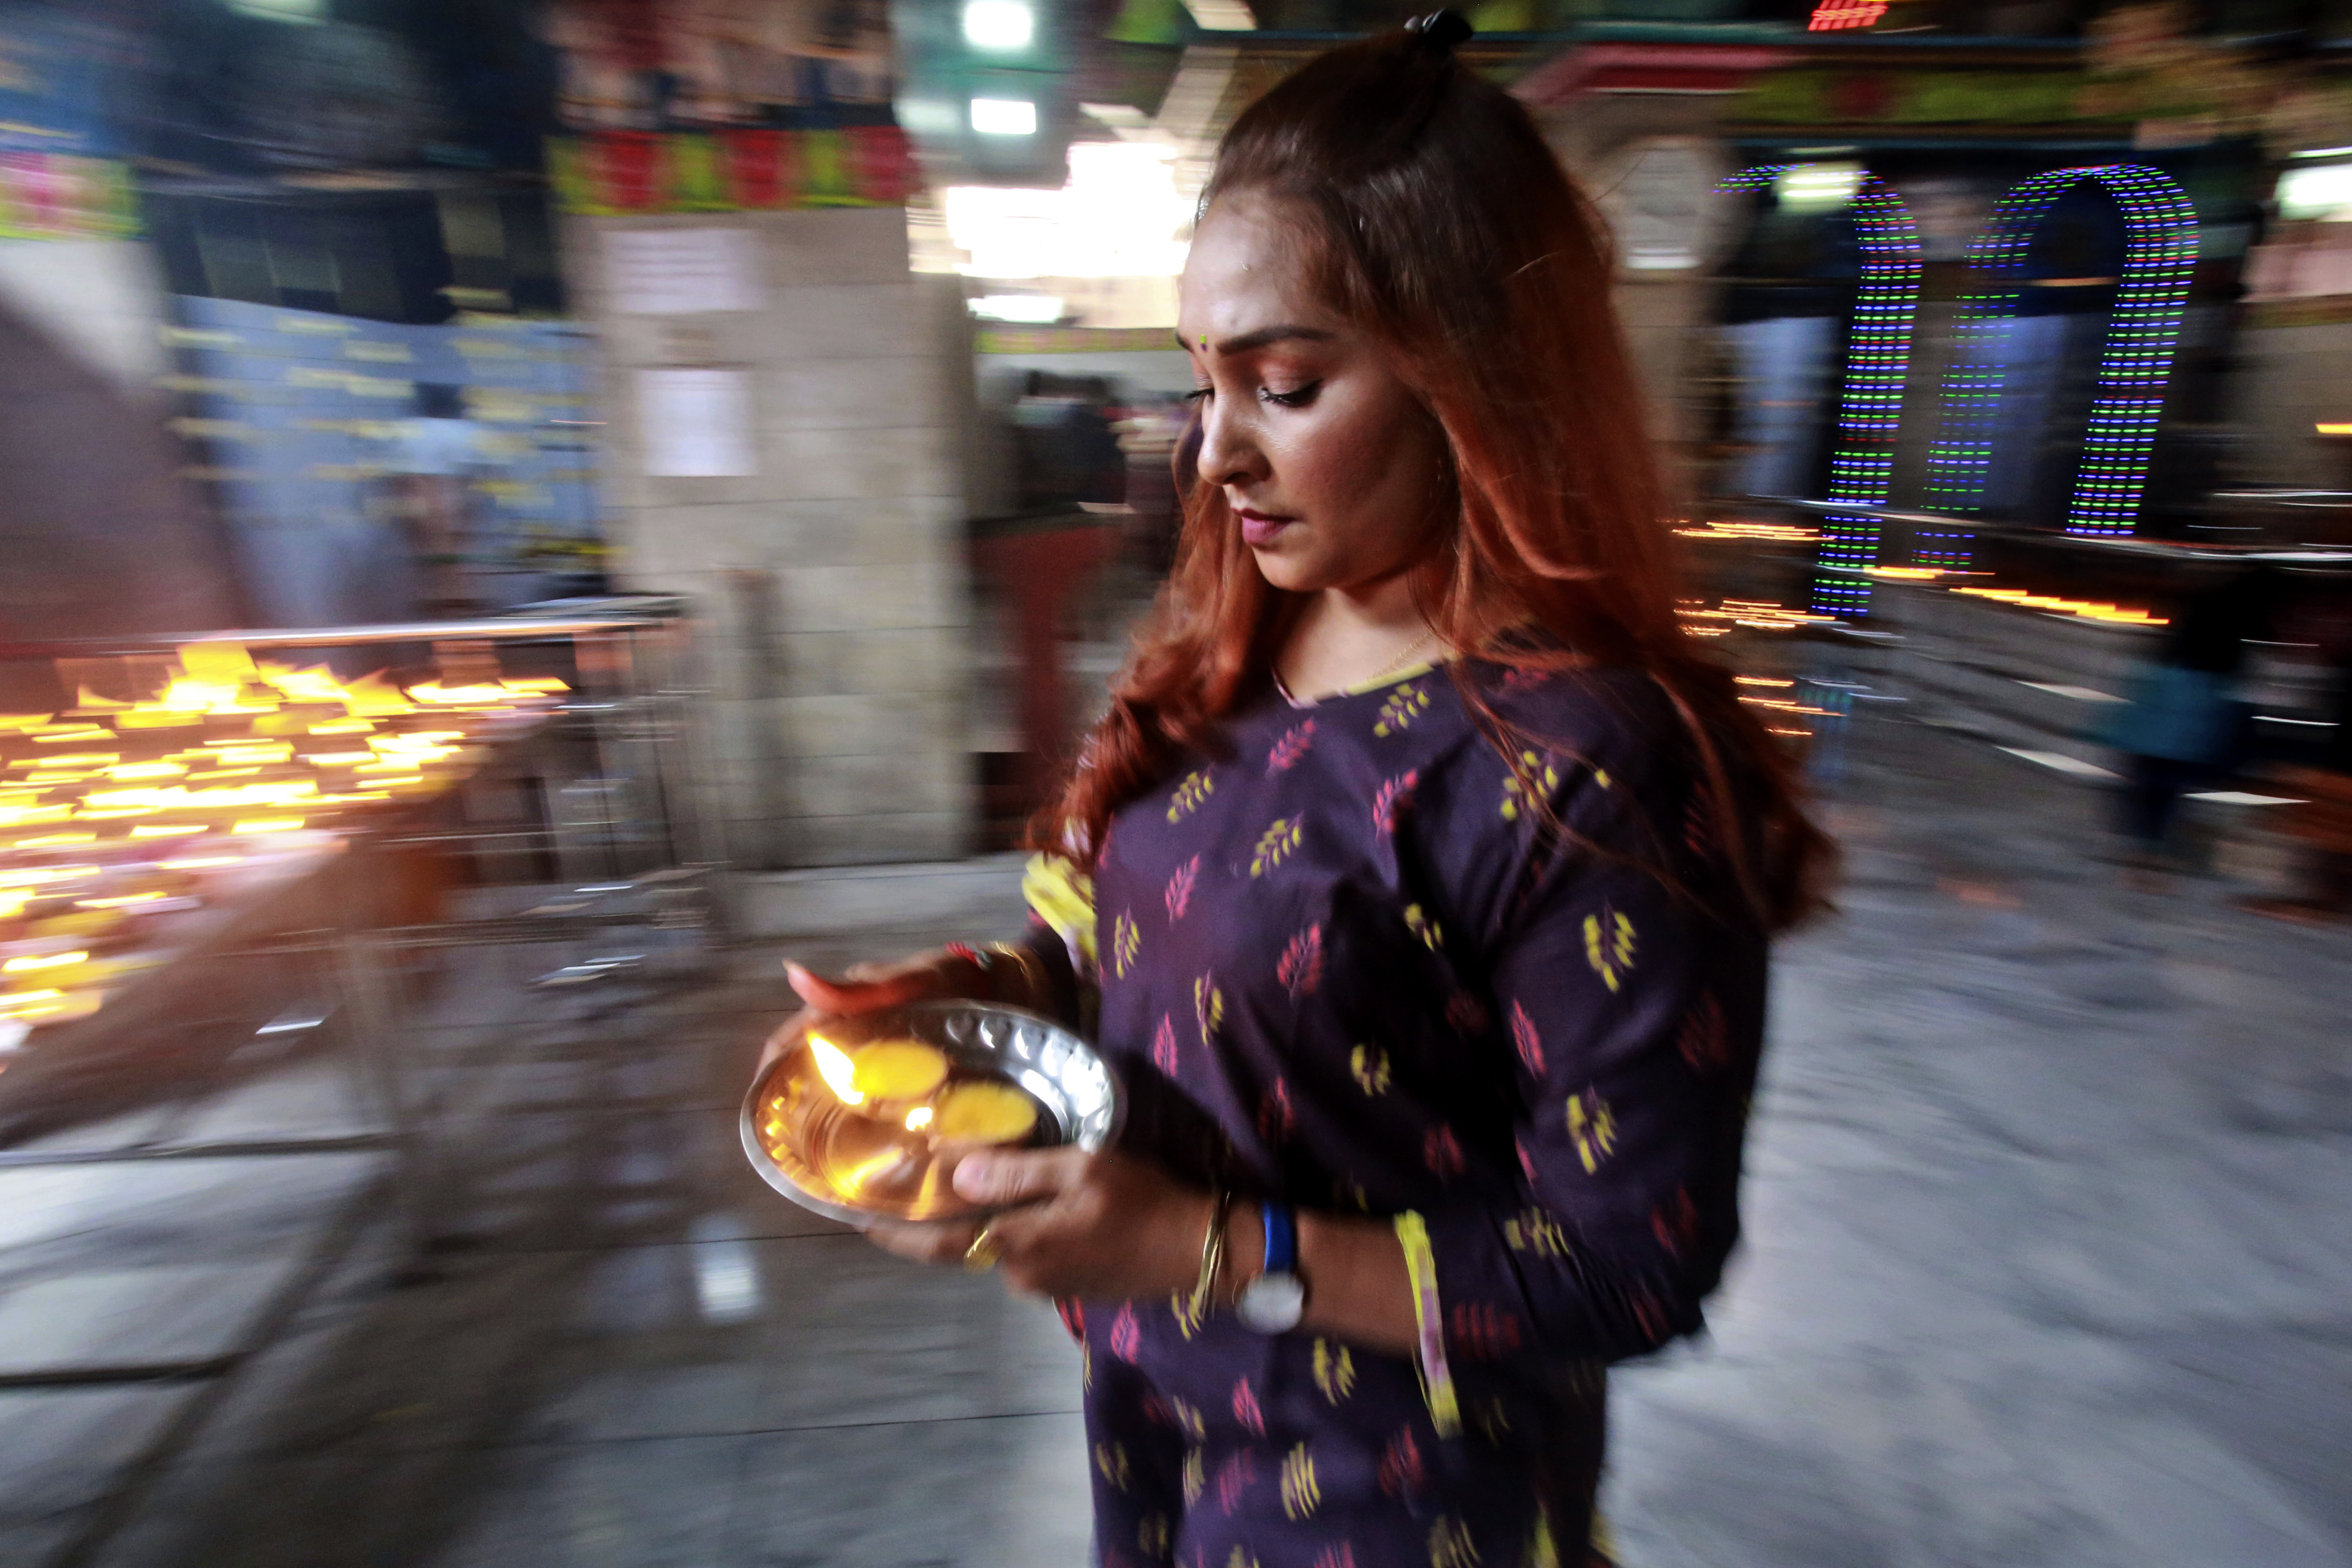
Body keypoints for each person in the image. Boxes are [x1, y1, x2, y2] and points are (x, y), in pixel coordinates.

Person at [760, 15, 1830, 1565]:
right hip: (1163, 1422)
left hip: (1401, 1500)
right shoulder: (1237, 634)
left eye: (1283, 384)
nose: (1214, 456)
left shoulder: (1583, 759)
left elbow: (1629, 1271)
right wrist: (951, 1024)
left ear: (1477, 375)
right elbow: (1126, 957)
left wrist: (1203, 1245)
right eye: (1204, 379)